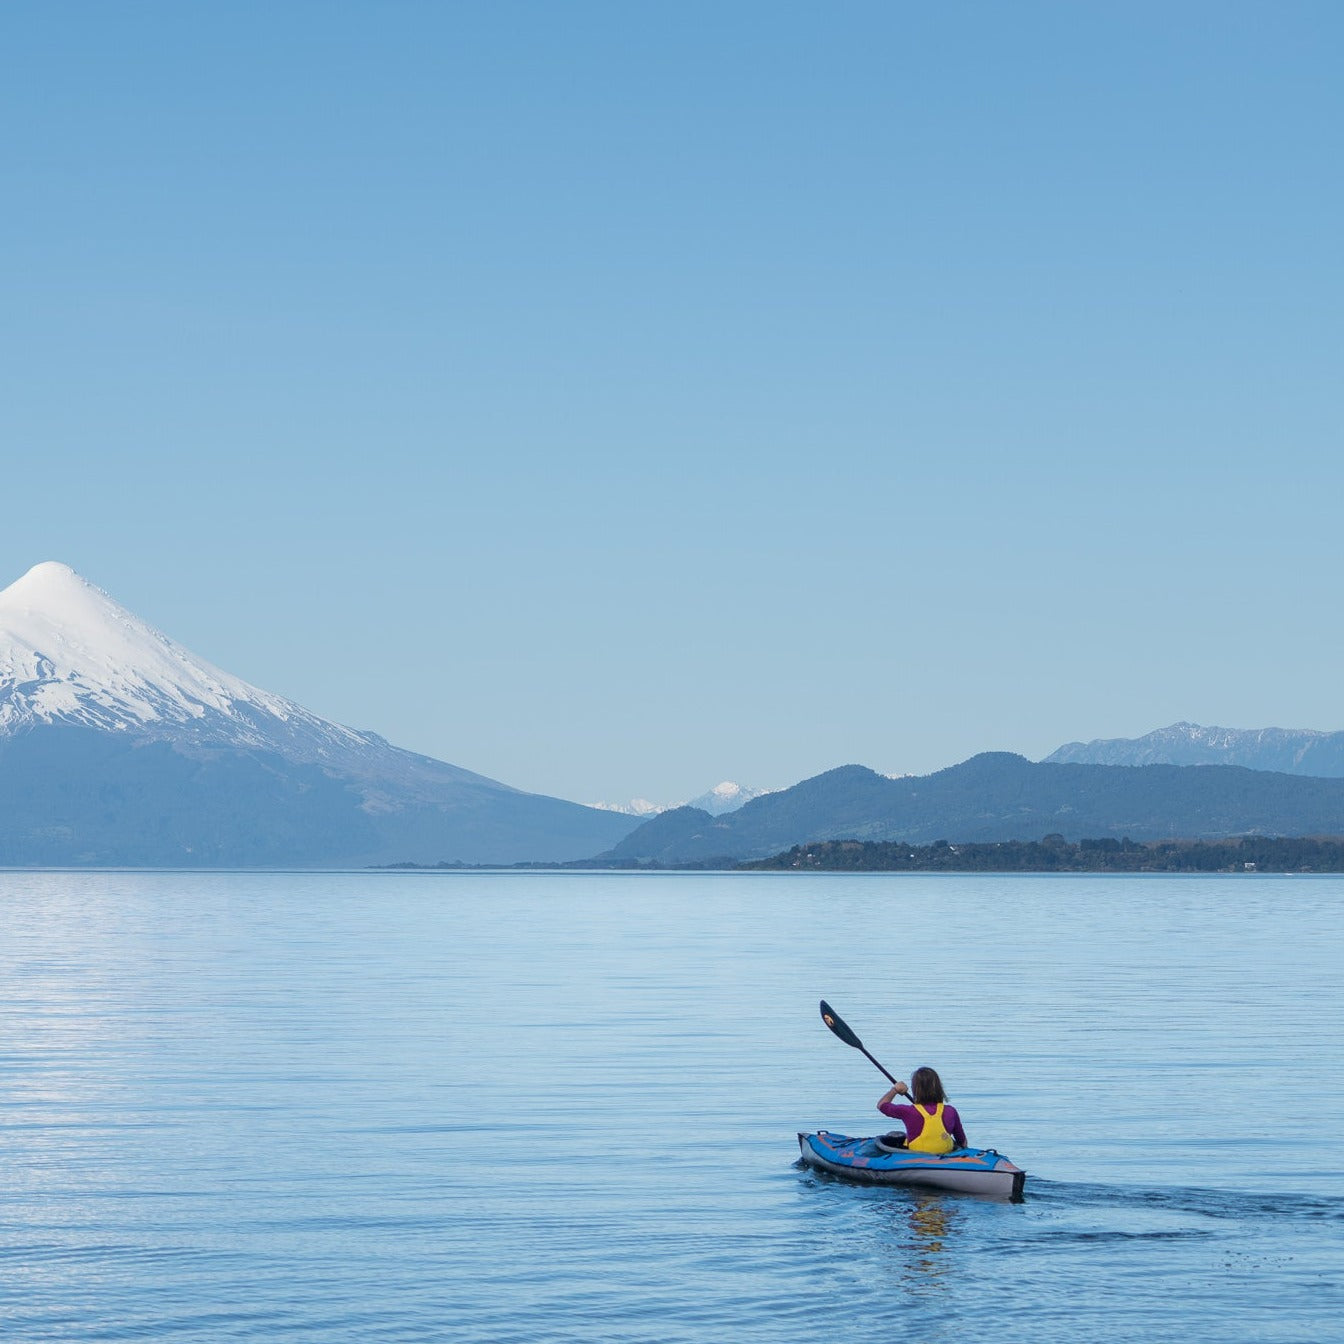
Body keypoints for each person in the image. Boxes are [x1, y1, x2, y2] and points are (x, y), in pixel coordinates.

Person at [876, 1066, 967, 1153]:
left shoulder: (908, 1111)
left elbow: (882, 1105)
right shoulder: (951, 1111)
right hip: (945, 1158)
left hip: (917, 1157)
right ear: (939, 1088)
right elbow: (962, 1142)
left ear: (915, 1089)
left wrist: (895, 1090)